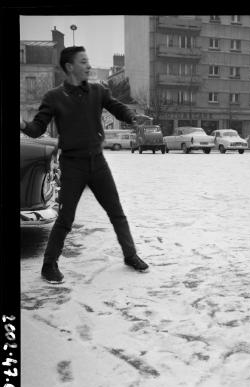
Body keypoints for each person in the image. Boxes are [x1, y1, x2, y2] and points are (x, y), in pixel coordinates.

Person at [20, 46, 152, 284]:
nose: (88, 65)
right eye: (83, 61)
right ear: (70, 67)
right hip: (72, 166)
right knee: (65, 219)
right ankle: (49, 265)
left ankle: (130, 255)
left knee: (117, 212)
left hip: (97, 163)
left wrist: (132, 117)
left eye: (88, 61)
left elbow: (116, 107)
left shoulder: (98, 91)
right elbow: (37, 129)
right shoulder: (54, 97)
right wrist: (21, 124)